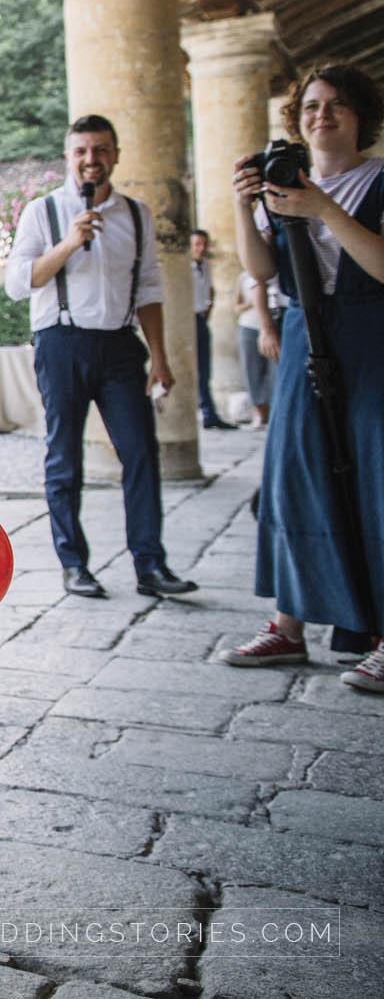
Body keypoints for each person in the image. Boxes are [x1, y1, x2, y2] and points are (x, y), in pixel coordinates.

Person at [220, 65, 384, 694]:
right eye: (312, 105)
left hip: (371, 338)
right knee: (294, 474)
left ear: (361, 117)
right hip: (300, 337)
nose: (322, 115)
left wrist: (322, 206)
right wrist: (245, 203)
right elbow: (260, 269)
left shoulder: (376, 180)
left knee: (375, 474)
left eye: (337, 105)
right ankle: (288, 625)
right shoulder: (281, 186)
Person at [2, 115, 199, 600]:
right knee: (65, 458)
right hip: (61, 342)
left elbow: (150, 287)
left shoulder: (136, 215)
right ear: (69, 157)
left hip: (120, 346)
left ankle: (151, 565)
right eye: (82, 151)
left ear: (115, 154)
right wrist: (69, 243)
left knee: (140, 454)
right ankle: (74, 564)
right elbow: (16, 283)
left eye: (101, 150)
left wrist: (159, 357)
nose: (92, 159)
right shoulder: (43, 212)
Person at [190, 228, 237, 429]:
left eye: (203, 244)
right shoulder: (182, 267)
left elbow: (210, 290)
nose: (201, 249)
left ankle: (209, 413)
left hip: (200, 319)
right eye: (196, 244)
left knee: (204, 369)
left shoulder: (205, 266)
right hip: (186, 321)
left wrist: (207, 312)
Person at [233, 269, 279, 430]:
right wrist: (255, 302)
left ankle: (276, 414)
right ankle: (258, 414)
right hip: (249, 327)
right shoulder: (243, 277)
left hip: (274, 327)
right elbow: (236, 307)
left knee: (276, 373)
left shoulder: (274, 274)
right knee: (251, 371)